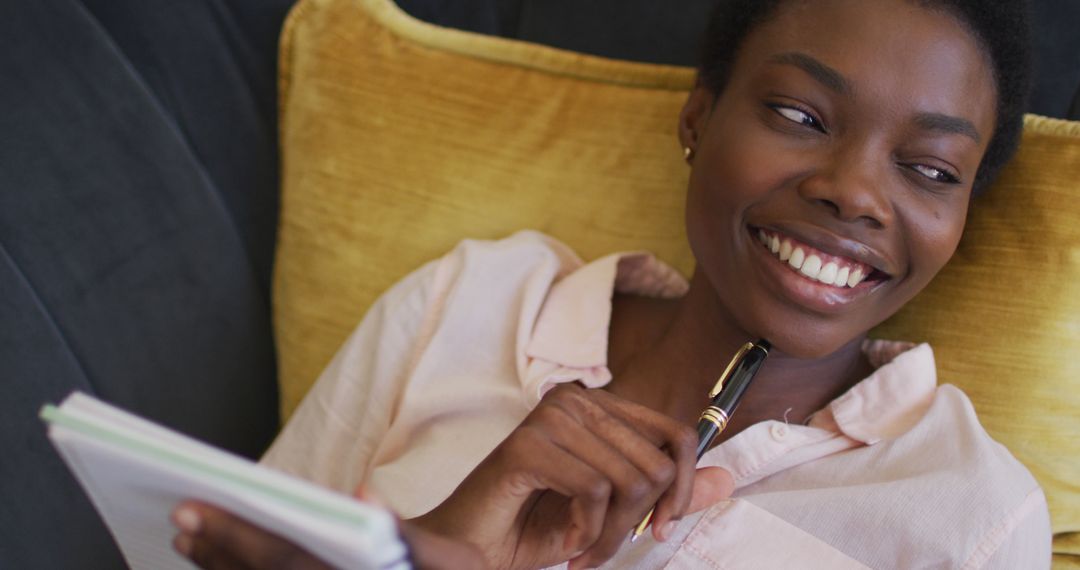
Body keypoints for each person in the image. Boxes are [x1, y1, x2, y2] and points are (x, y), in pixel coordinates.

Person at [171, 0, 1052, 567]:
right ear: (698, 122)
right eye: (798, 115)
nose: (853, 190)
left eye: (931, 169)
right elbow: (203, 547)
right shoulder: (470, 303)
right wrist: (441, 540)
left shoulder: (972, 515)